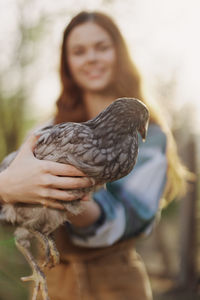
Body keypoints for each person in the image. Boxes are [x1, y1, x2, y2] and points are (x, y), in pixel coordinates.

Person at [0, 11, 187, 300]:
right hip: (53, 285)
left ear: (120, 53)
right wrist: (7, 187)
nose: (91, 58)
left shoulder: (151, 139)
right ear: (68, 63)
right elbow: (12, 204)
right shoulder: (47, 128)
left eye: (101, 47)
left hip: (116, 287)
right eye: (79, 51)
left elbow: (128, 219)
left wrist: (63, 191)